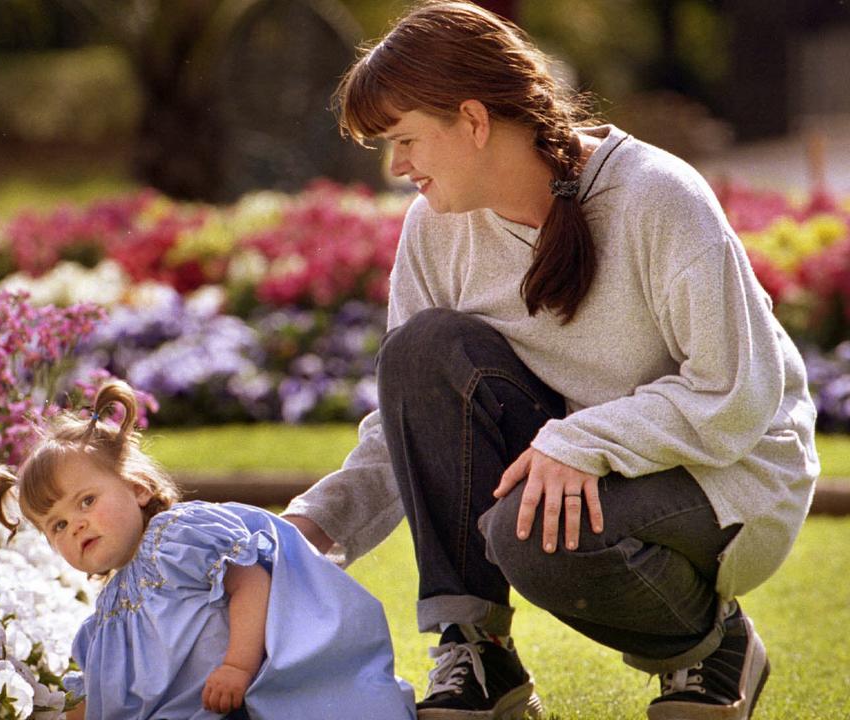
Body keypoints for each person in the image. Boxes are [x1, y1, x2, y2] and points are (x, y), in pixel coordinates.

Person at [281, 3, 819, 720]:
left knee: (529, 537)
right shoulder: (435, 230)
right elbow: (413, 425)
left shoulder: (658, 196)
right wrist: (309, 528)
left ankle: (714, 642)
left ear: (473, 121)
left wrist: (580, 441)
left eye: (406, 139)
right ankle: (477, 651)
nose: (397, 167)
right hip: (583, 462)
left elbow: (736, 395)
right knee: (421, 350)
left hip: (732, 470)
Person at [0, 380, 415, 720]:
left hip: (238, 699)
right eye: (58, 525)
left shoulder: (176, 538)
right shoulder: (105, 619)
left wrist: (237, 665)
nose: (77, 524)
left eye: (86, 501)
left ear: (137, 489)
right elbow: (103, 697)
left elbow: (250, 582)